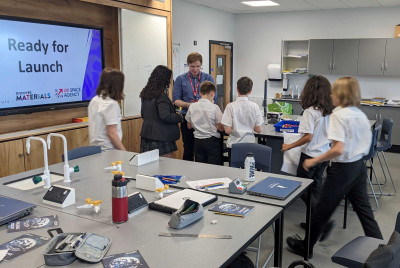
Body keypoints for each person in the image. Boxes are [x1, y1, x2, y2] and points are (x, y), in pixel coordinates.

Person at [286, 77, 383, 258]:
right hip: (358, 168)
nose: (330, 95)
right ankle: (383, 253)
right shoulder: (359, 114)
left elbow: (338, 149)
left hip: (342, 170)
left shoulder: (339, 114)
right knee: (365, 213)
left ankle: (306, 247)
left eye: (334, 92)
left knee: (322, 209)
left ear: (342, 94)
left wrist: (313, 161)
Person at [281, 75, 335, 236]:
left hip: (310, 156)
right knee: (315, 189)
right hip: (324, 155)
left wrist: (289, 145)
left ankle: (323, 222)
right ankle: (315, 223)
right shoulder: (329, 110)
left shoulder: (310, 112)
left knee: (302, 190)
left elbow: (307, 137)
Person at [173, 52, 216, 161]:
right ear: (188, 65)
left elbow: (213, 99)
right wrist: (189, 105)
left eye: (197, 66)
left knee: (203, 149)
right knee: (188, 149)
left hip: (205, 119)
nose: (195, 69)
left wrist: (202, 106)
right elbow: (175, 101)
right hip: (187, 118)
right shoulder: (180, 79)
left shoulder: (208, 78)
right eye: (192, 66)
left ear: (201, 65)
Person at [140, 65, 183, 157]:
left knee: (150, 167)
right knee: (166, 168)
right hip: (161, 137)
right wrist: (179, 117)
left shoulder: (145, 94)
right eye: (169, 79)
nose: (170, 81)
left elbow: (143, 114)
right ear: (165, 80)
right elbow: (165, 116)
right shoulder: (161, 96)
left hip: (147, 136)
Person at [221, 76, 263, 155]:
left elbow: (227, 130)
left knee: (233, 167)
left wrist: (237, 128)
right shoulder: (255, 106)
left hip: (234, 145)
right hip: (249, 145)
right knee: (248, 166)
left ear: (237, 89)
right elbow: (259, 130)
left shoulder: (230, 106)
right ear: (250, 91)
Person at [186, 81, 224, 165]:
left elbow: (189, 126)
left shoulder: (192, 106)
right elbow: (221, 127)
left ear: (200, 93)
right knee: (214, 167)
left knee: (200, 167)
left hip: (197, 141)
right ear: (212, 94)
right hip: (211, 141)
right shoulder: (215, 108)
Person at [88, 68, 126, 151]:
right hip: (109, 150)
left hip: (95, 149)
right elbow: (112, 134)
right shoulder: (111, 104)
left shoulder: (94, 100)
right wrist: (124, 151)